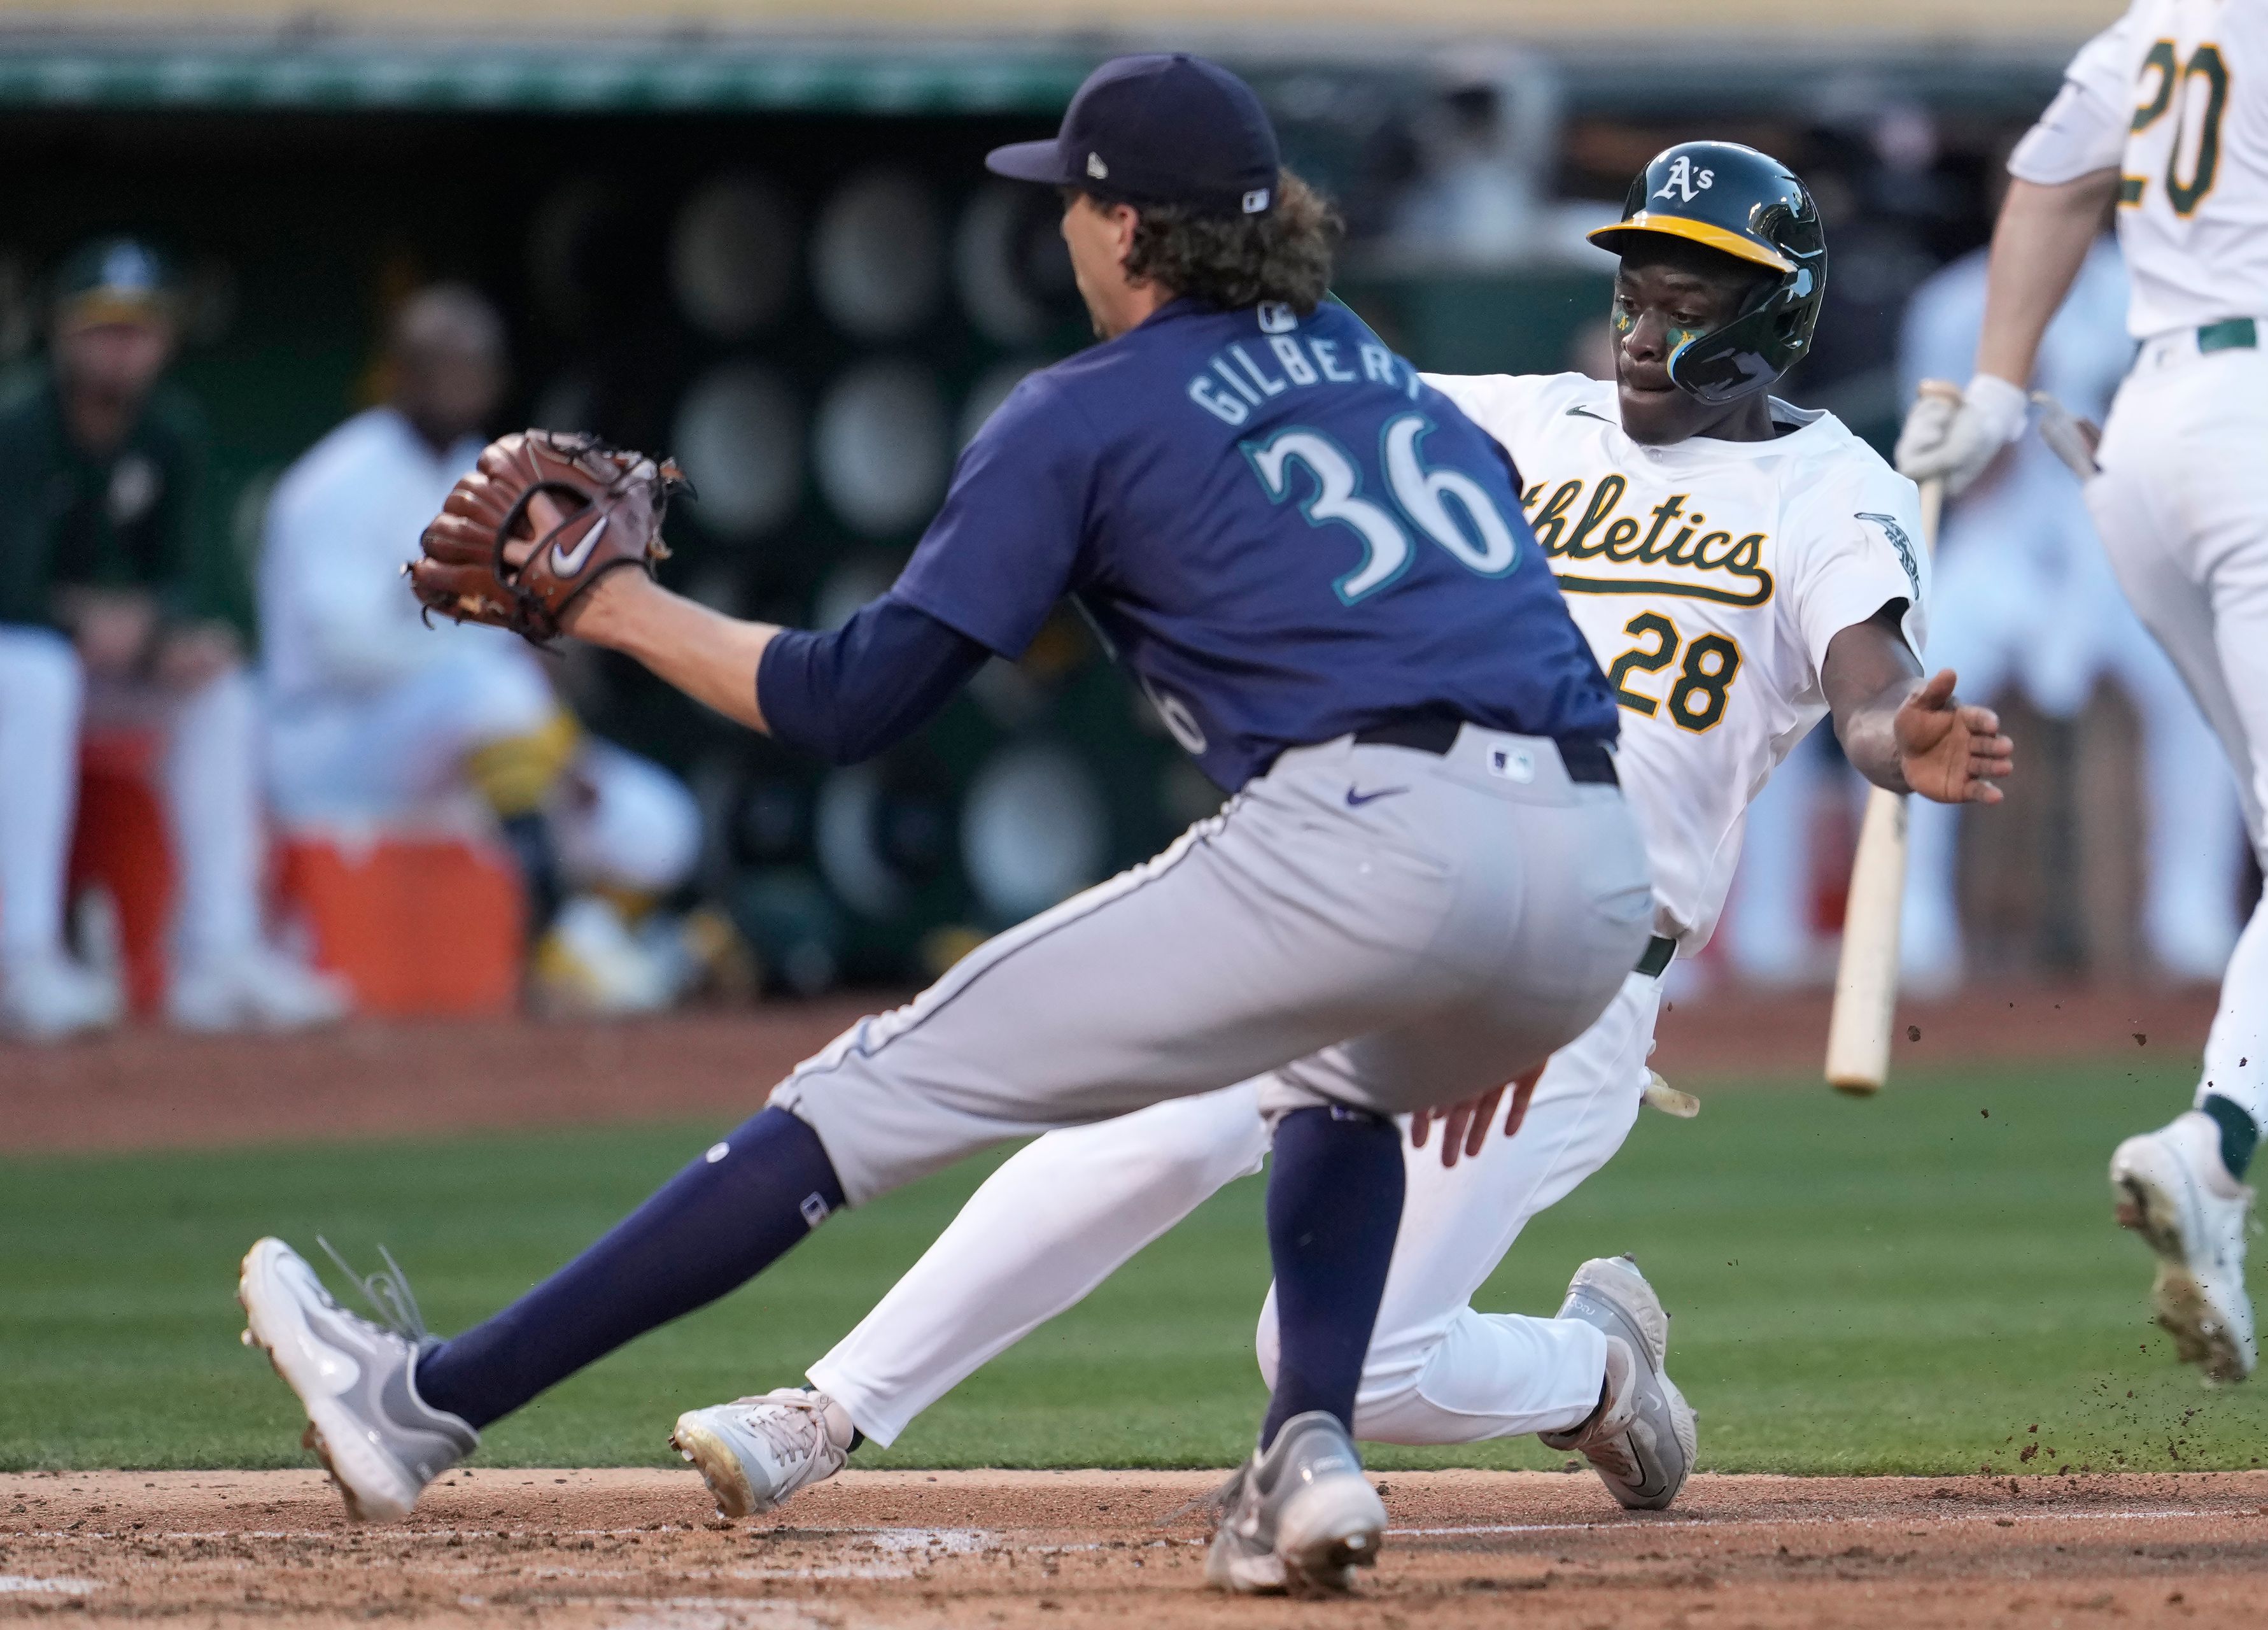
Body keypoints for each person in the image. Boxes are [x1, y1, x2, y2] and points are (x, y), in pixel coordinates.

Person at [236, 54, 1656, 1595]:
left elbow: (852, 701)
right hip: (1586, 863)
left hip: (1374, 829)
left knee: (857, 1093)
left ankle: (425, 1402)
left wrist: (618, 607)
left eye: (1072, 200)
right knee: (1338, 1079)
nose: (1059, 228)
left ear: (1125, 229)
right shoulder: (1370, 363)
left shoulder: (1083, 409)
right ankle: (1302, 1448)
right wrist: (1500, 953)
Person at [636, 145, 2011, 1523]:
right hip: (1377, 883)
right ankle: (827, 1407)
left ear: (1772, 317)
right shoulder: (1518, 421)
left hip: (1569, 975)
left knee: (1341, 1365)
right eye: (1634, 297)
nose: (1644, 332)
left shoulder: (1834, 493)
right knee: (1148, 1124)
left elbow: (1870, 688)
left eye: (1685, 304)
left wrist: (1901, 743)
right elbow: (1286, 415)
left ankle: (1595, 1370)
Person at [1898, 0, 2268, 1378]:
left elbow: (2047, 176)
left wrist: (1998, 386)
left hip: (2147, 441)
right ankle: (2212, 1147)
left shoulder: (2158, 25)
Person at [257, 285, 706, 1013]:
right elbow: (344, 652)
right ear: (397, 373)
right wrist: (483, 662)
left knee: (656, 822)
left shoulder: (491, 474)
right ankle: (550, 935)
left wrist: (561, 747)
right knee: (488, 685)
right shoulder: (335, 481)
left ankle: (588, 945)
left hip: (473, 750)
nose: (459, 382)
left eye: (474, 366)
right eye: (437, 365)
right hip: (333, 746)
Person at [0, 237, 345, 1038]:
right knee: (39, 671)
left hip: (99, 667)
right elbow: (12, 592)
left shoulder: (172, 431)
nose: (121, 348)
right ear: (62, 332)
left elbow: (193, 580)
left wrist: (168, 638)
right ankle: (23, 959)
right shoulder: (19, 429)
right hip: (22, 664)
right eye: (102, 328)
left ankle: (218, 955)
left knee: (218, 693)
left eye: (139, 329)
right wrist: (89, 622)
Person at [1896, 231, 2242, 991]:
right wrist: (2011, 391)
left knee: (2204, 683)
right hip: (1998, 541)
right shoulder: (1955, 302)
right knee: (1908, 682)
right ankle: (1910, 917)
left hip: (2115, 535)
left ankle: (2191, 910)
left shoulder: (2149, 290)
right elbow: (1940, 475)